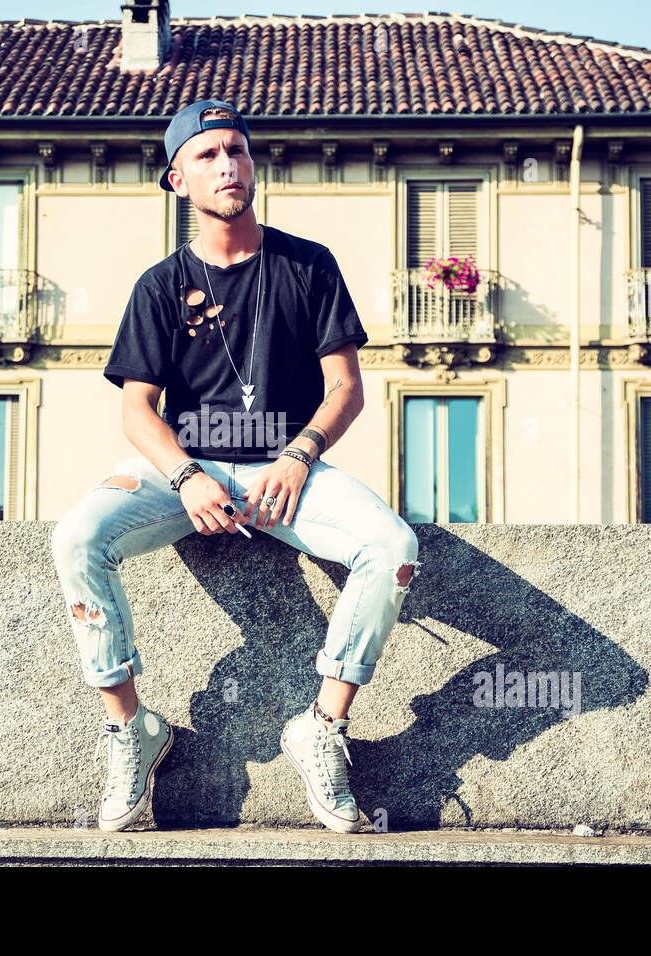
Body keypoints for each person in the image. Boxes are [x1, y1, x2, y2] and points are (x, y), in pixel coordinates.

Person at [50, 99, 421, 834]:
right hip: (183, 470)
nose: (229, 165)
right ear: (177, 179)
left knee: (393, 547)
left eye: (239, 152)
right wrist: (186, 475)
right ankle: (132, 728)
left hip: (288, 469)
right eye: (211, 155)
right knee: (76, 538)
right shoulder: (159, 287)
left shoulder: (307, 265)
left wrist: (299, 453)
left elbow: (346, 389)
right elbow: (136, 410)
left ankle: (321, 723)